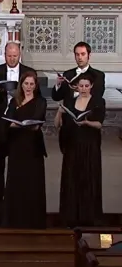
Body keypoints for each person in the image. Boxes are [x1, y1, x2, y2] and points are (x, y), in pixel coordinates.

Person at [0, 41, 41, 218]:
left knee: (19, 162)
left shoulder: (29, 73)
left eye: (15, 55)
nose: (12, 58)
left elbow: (37, 98)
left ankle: (19, 198)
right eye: (9, 55)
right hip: (1, 121)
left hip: (21, 123)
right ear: (4, 55)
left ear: (19, 55)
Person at [54, 73, 105, 227]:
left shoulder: (98, 101)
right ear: (76, 87)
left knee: (87, 181)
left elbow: (99, 124)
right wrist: (59, 113)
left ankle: (88, 218)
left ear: (91, 86)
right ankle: (70, 218)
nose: (83, 89)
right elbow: (57, 125)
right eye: (81, 86)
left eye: (86, 86)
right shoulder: (69, 101)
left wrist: (87, 122)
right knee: (72, 181)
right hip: (72, 146)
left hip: (89, 147)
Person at [2, 71, 47, 229]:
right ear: (21, 84)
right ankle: (14, 219)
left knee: (32, 183)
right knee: (16, 181)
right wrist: (12, 125)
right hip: (16, 146)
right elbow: (7, 119)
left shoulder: (41, 101)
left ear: (36, 86)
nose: (28, 87)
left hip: (32, 146)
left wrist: (22, 124)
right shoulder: (15, 101)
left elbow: (37, 121)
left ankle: (33, 220)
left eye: (31, 84)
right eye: (26, 83)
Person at [51, 41, 105, 153]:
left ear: (89, 55)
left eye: (83, 54)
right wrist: (58, 85)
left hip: (87, 126)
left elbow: (98, 97)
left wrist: (80, 91)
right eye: (77, 54)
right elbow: (56, 97)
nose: (80, 57)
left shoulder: (98, 75)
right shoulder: (68, 74)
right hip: (68, 126)